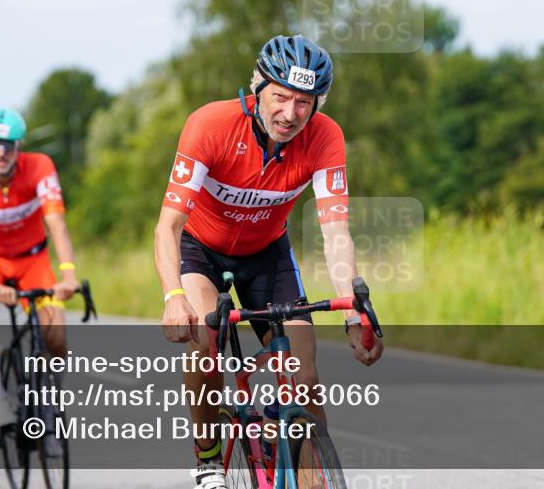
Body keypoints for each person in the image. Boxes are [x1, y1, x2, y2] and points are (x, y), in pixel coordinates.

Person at [154, 35, 385, 488]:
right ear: (257, 88)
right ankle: (207, 457)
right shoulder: (210, 126)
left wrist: (352, 307)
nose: (290, 114)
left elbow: (335, 230)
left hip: (267, 256)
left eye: (304, 102)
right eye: (280, 96)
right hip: (201, 249)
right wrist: (173, 296)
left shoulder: (325, 137)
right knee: (206, 341)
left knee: (306, 376)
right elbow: (168, 226)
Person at [0, 107, 80, 356]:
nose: (1, 153)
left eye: (8, 146)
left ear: (19, 146)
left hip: (32, 259)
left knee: (54, 333)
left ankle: (53, 393)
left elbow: (57, 223)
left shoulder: (40, 166)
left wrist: (68, 274)